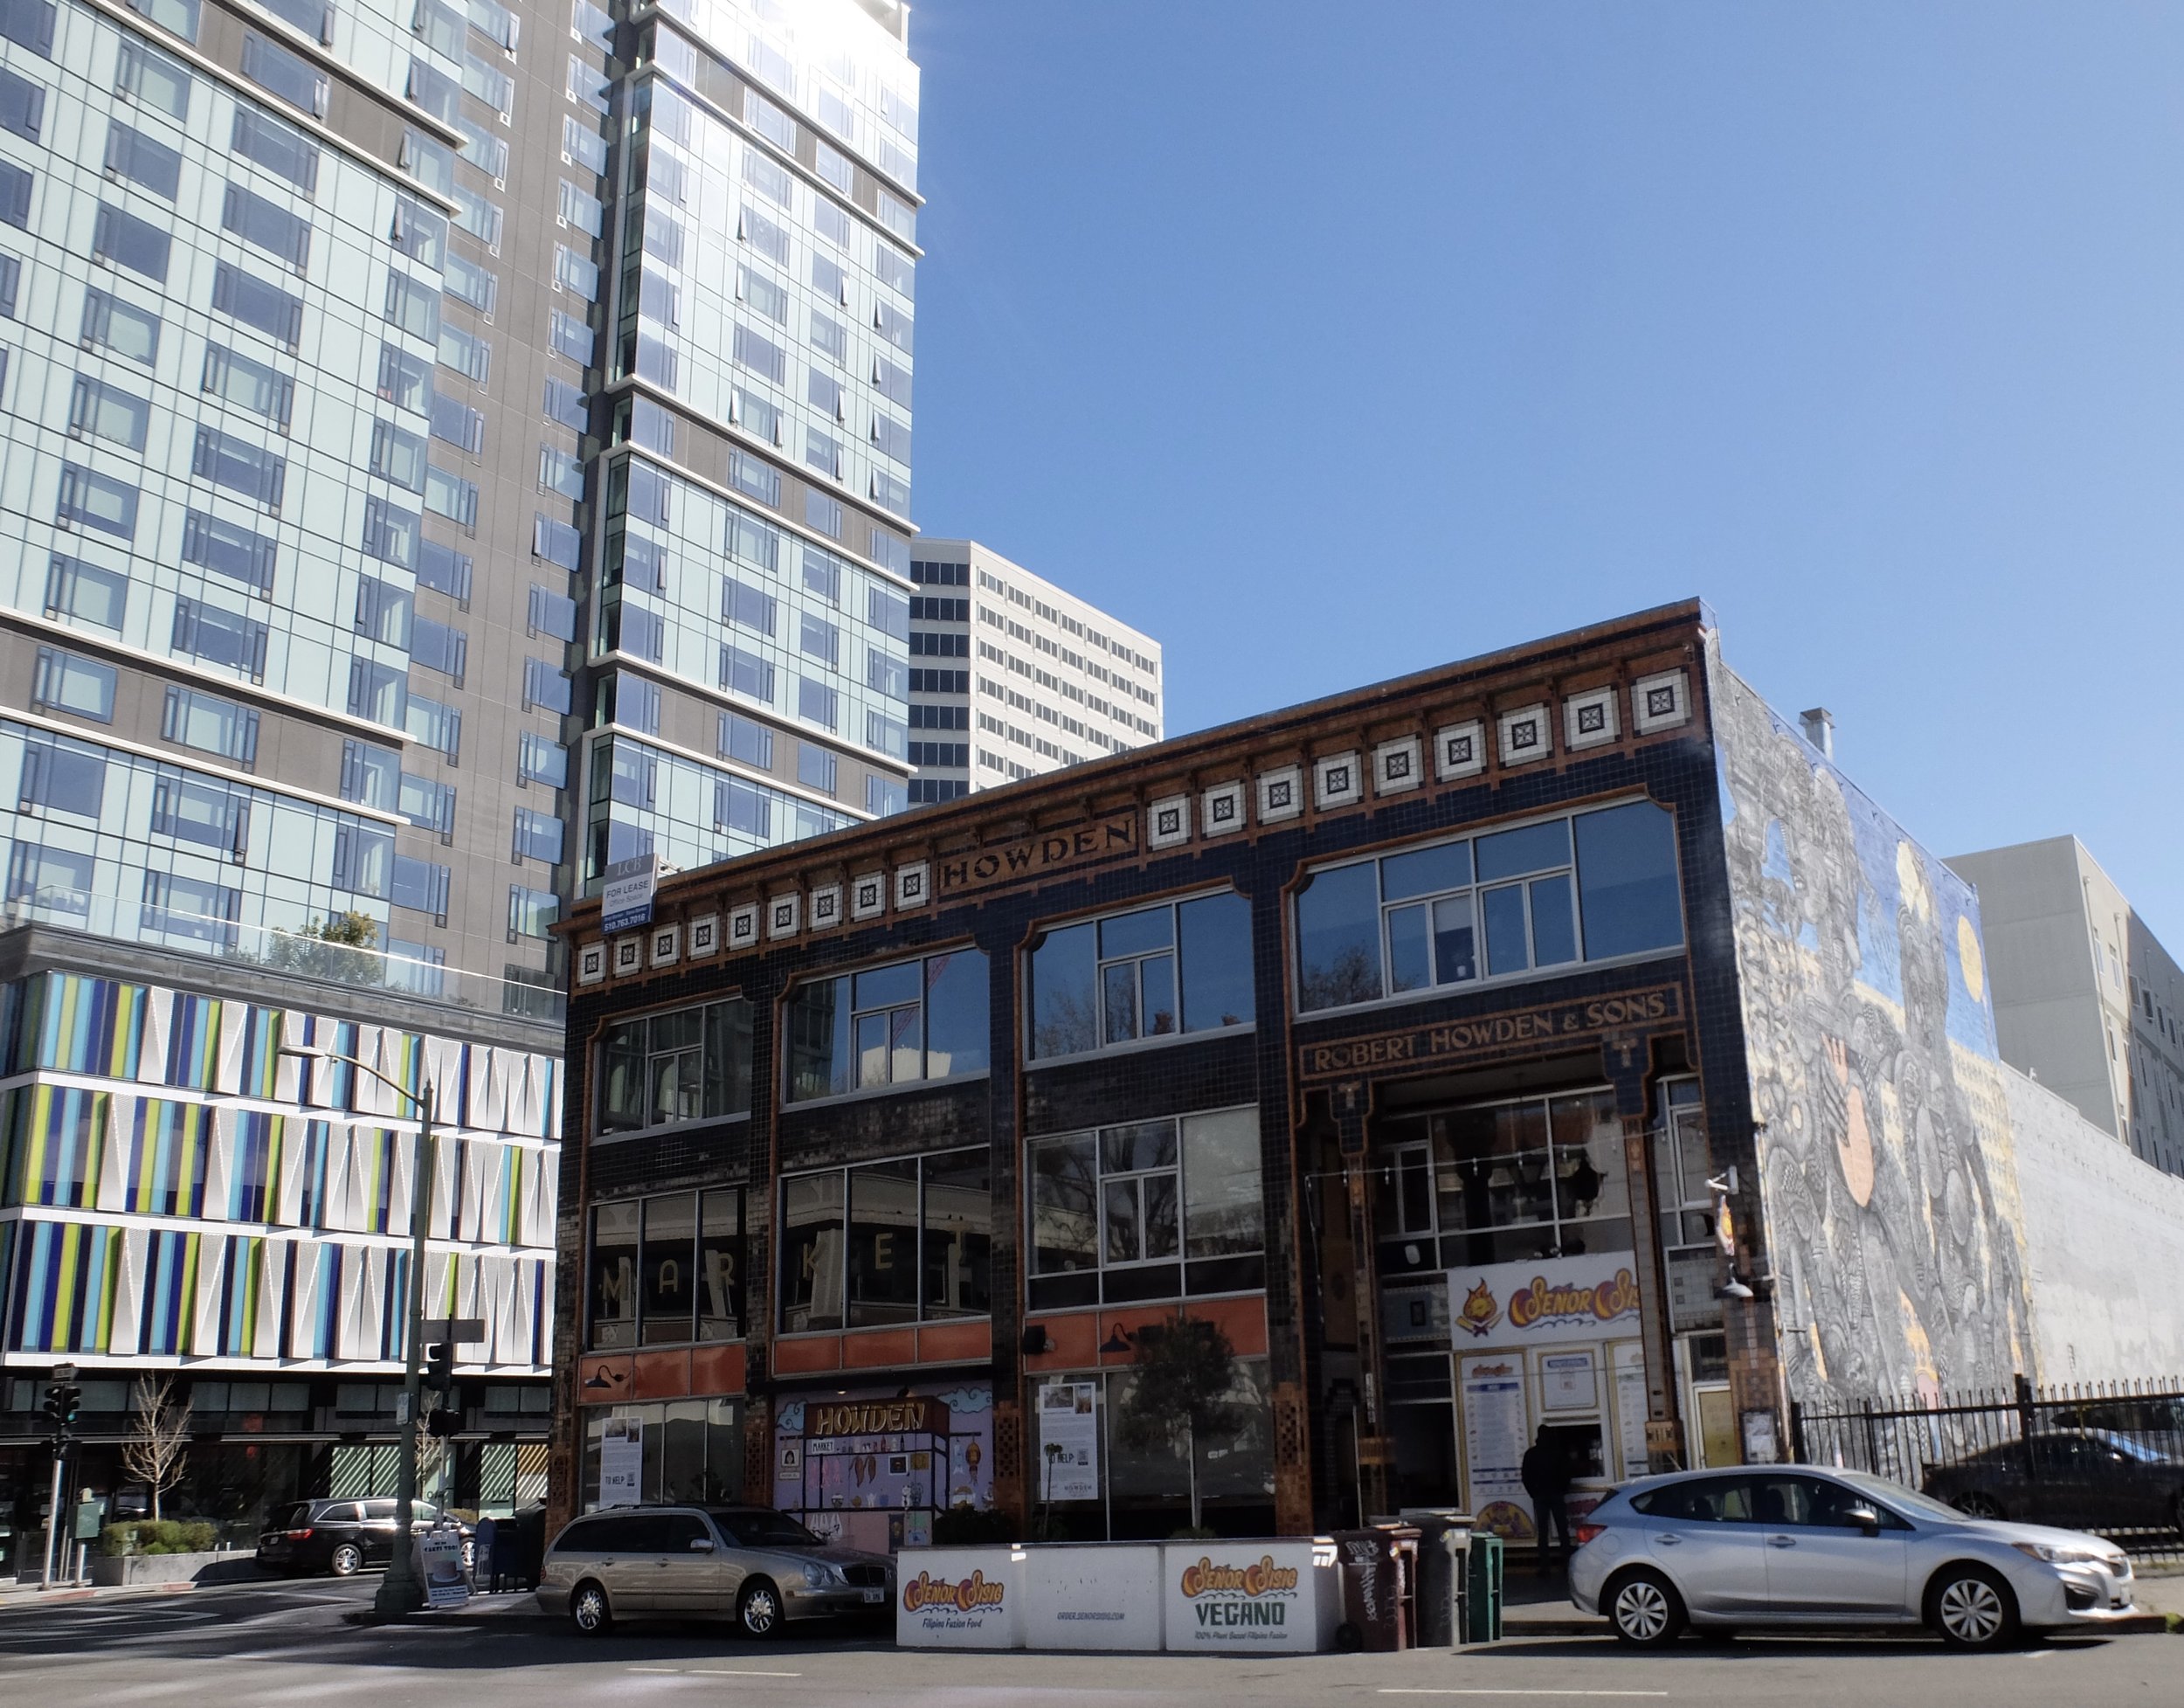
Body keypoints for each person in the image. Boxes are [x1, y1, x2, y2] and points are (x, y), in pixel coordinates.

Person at [1520, 1427, 1573, 1570]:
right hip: (1556, 1494)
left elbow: (1525, 1476)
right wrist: (1563, 1489)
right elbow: (1567, 1473)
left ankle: (1544, 1566)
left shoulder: (1531, 1454)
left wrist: (1533, 1493)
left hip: (1540, 1496)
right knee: (1562, 1530)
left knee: (1542, 1532)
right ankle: (1567, 1563)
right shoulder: (1559, 1453)